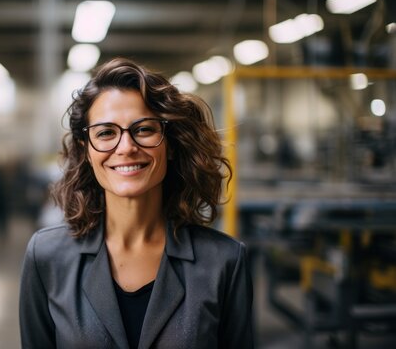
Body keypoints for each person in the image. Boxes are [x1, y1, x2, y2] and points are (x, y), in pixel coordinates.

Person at [19, 58, 253, 349]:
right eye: (106, 133)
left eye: (144, 129)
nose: (127, 147)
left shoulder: (224, 261)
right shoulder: (47, 257)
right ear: (86, 150)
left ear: (170, 145)